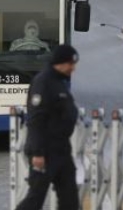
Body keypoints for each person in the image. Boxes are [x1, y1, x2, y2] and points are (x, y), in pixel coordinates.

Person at [16, 45, 80, 210]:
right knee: (35, 199)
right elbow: (36, 119)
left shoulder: (59, 82)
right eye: (71, 63)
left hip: (61, 150)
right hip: (44, 151)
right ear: (60, 62)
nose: (73, 68)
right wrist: (38, 152)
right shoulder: (43, 82)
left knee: (70, 199)